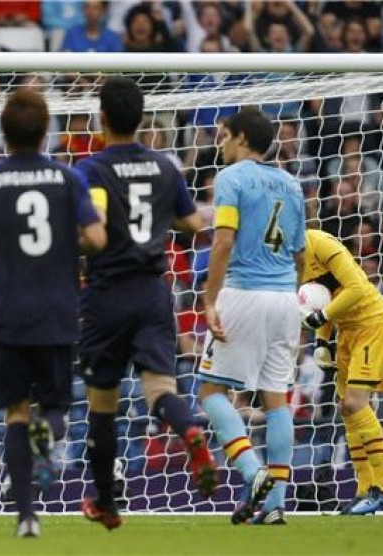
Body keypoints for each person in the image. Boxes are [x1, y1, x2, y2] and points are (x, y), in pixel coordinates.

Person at [0, 89, 106, 538]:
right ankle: (48, 431)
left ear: (4, 131)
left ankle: (26, 517)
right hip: (56, 309)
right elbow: (97, 240)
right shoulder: (68, 179)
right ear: (45, 131)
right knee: (54, 407)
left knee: (15, 412)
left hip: (5, 313)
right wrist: (64, 248)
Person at [74, 76, 216, 531]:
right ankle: (189, 428)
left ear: (103, 117)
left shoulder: (91, 169)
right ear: (141, 117)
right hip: (155, 290)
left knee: (103, 404)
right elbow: (193, 223)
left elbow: (93, 230)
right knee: (160, 391)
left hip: (107, 292)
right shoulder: (164, 167)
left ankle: (106, 504)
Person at [198, 109, 306, 525]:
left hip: (244, 292)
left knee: (210, 392)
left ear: (242, 139)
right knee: (275, 397)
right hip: (284, 299)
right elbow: (298, 252)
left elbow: (224, 241)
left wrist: (210, 301)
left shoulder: (232, 178)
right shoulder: (292, 183)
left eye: (224, 136)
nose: (220, 144)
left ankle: (251, 471)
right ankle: (276, 505)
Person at [299, 229, 383, 515]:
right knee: (347, 411)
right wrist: (323, 339)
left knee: (355, 403)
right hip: (345, 331)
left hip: (371, 323)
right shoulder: (289, 262)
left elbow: (357, 288)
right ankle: (364, 489)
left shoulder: (320, 243)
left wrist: (322, 318)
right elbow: (322, 300)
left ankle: (381, 486)